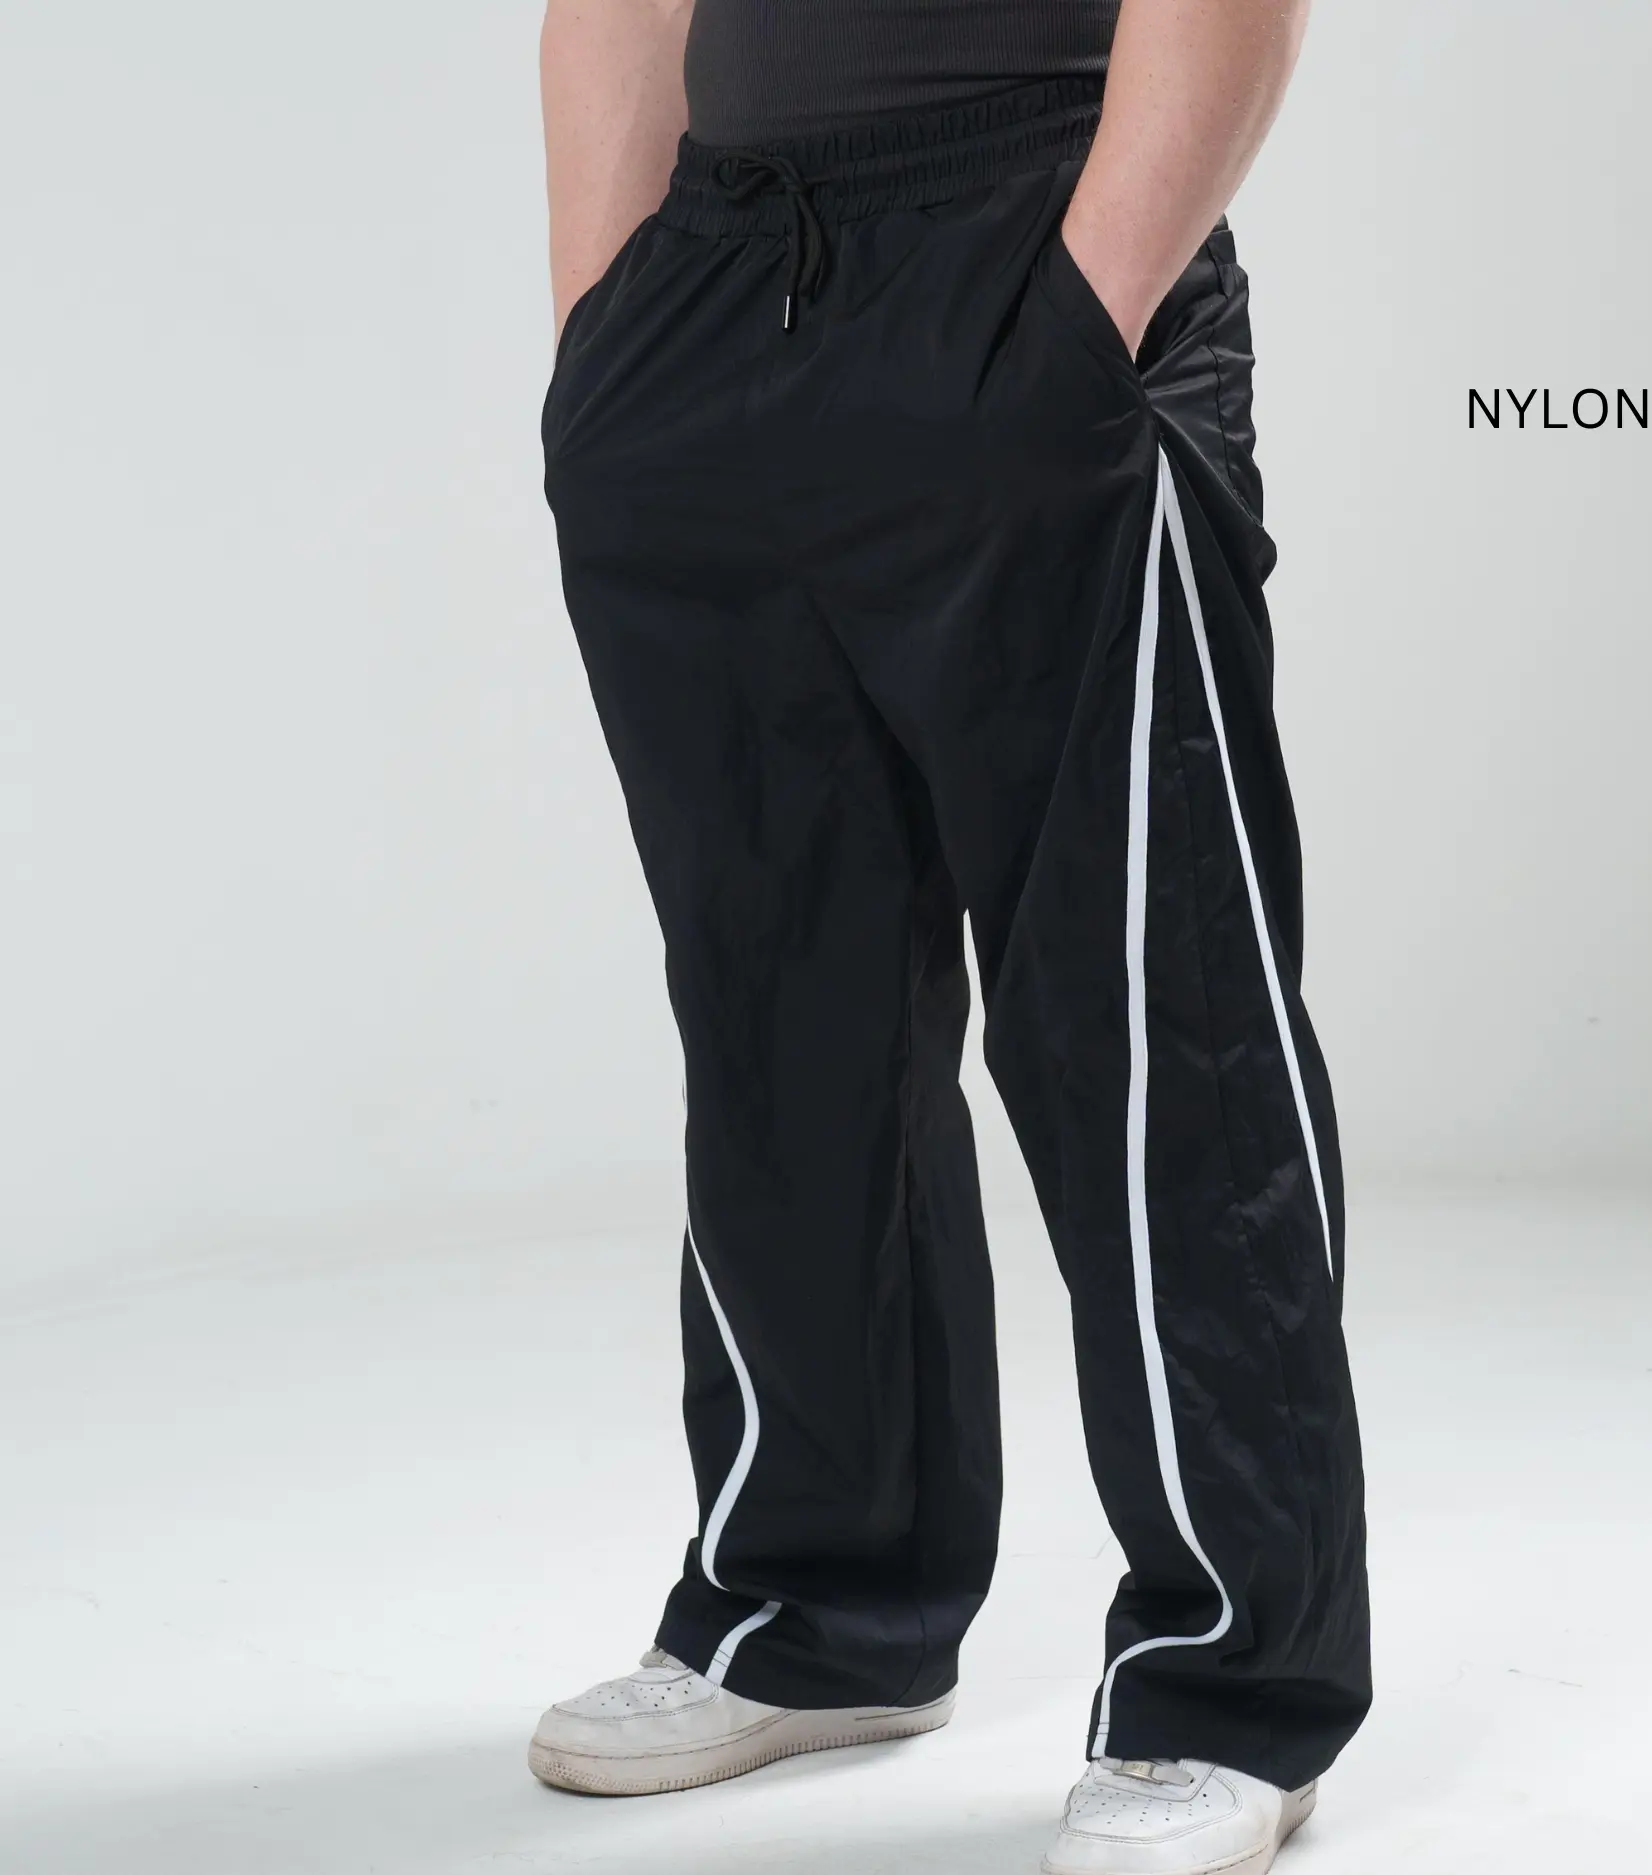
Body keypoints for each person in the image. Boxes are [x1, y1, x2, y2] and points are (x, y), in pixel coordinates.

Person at [526, 1, 1369, 1868]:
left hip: (1031, 242)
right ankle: (819, 1605)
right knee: (777, 1012)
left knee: (1148, 1024)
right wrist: (604, 332)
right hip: (712, 283)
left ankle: (1230, 1683)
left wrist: (1090, 305)